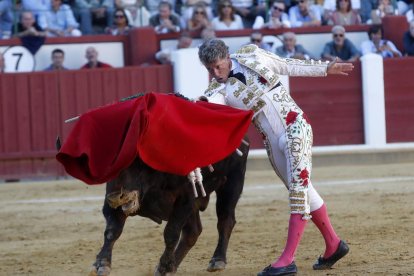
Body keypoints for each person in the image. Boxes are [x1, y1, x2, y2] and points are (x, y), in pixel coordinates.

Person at [198, 38, 353, 276]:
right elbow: (206, 108)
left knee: (298, 192)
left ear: (227, 56)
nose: (215, 73)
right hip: (272, 144)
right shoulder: (216, 90)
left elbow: (287, 64)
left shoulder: (252, 55)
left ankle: (287, 260)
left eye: (218, 66)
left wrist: (324, 68)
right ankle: (334, 244)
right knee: (302, 189)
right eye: (209, 69)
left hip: (295, 126)